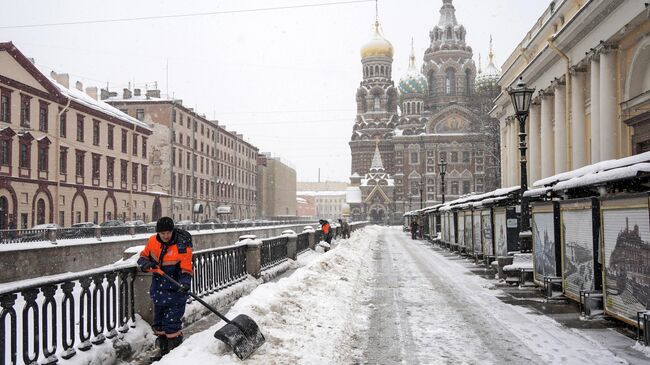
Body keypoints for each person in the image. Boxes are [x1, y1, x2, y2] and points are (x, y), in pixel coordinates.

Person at [137, 217, 193, 361]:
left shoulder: (181, 244)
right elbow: (142, 258)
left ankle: (175, 355)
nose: (166, 236)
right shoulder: (152, 242)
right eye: (163, 234)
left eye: (168, 232)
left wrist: (185, 283)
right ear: (158, 233)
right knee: (159, 323)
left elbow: (186, 268)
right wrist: (146, 265)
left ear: (172, 231)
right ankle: (163, 353)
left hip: (176, 290)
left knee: (172, 323)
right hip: (159, 290)